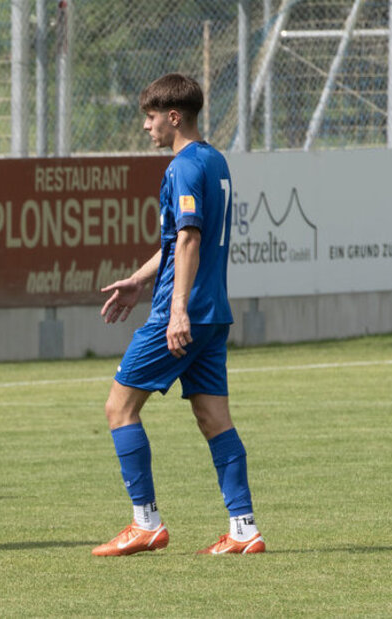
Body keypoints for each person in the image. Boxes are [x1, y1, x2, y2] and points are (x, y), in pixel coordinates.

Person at [92, 73, 264, 556]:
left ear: (173, 117)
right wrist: (139, 280)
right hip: (214, 313)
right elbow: (178, 242)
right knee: (214, 418)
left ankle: (145, 522)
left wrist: (176, 312)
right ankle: (244, 529)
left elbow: (189, 239)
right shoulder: (215, 160)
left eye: (150, 118)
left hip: (185, 311)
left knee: (119, 408)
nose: (146, 127)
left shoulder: (183, 167)